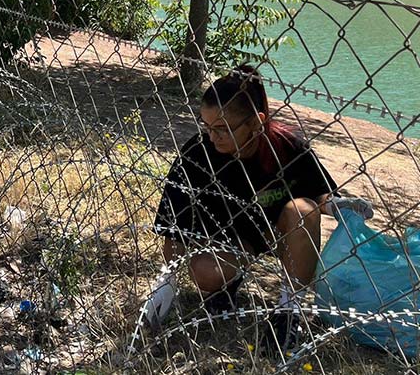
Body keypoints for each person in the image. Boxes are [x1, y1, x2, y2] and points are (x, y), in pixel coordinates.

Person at [142, 65, 374, 356]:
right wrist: (168, 279)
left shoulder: (286, 146)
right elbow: (173, 224)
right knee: (205, 275)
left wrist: (337, 205)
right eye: (207, 127)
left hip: (271, 233)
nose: (214, 138)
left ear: (256, 122)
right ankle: (227, 284)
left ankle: (288, 310)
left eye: (224, 129)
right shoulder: (198, 152)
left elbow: (318, 191)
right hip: (226, 239)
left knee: (303, 209)